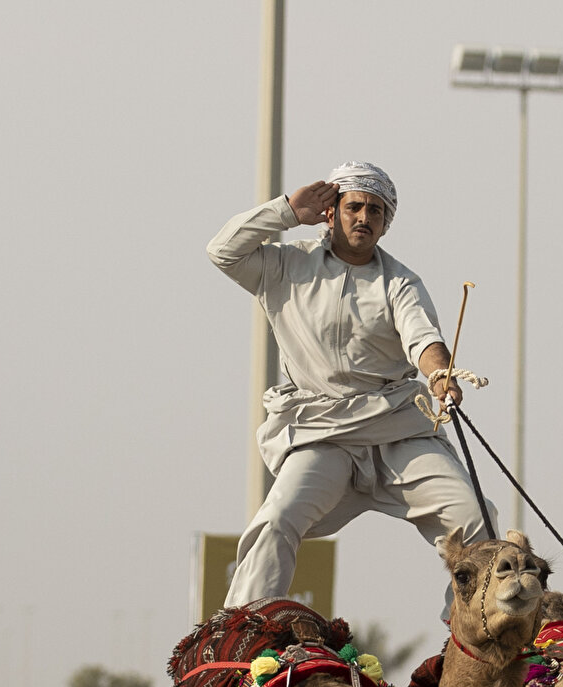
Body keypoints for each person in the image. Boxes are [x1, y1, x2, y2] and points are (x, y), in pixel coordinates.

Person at [208, 160, 496, 610]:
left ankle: (476, 639)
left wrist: (440, 375)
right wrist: (285, 210)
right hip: (321, 432)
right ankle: (244, 635)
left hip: (398, 429)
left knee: (477, 520)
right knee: (276, 519)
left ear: (385, 224)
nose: (364, 217)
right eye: (355, 206)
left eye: (376, 211)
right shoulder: (286, 265)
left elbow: (424, 339)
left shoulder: (400, 282)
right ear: (331, 211)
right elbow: (222, 250)